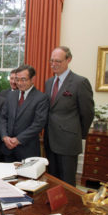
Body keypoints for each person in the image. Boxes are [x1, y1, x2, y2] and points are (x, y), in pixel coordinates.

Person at [44, 46, 94, 186]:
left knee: (67, 183)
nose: (54, 64)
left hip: (68, 141)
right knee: (52, 180)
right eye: (52, 60)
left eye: (58, 61)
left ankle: (69, 208)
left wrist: (78, 134)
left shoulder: (80, 82)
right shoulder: (49, 82)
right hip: (50, 139)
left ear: (69, 59)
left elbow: (88, 113)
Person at [0, 64, 49, 162]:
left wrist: (18, 140)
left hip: (27, 150)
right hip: (7, 149)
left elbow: (38, 124)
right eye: (17, 79)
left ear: (32, 79)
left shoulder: (41, 98)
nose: (20, 83)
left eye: (23, 79)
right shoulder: (10, 95)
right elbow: (3, 118)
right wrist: (4, 137)